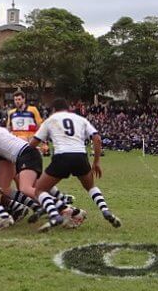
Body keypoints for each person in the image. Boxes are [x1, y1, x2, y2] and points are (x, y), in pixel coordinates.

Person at [30, 98, 121, 229]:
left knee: (39, 189)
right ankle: (105, 210)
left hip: (62, 157)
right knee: (91, 187)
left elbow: (33, 143)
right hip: (80, 156)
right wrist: (96, 162)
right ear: (68, 108)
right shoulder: (80, 119)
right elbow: (97, 138)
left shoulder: (51, 120)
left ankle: (55, 215)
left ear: (54, 110)